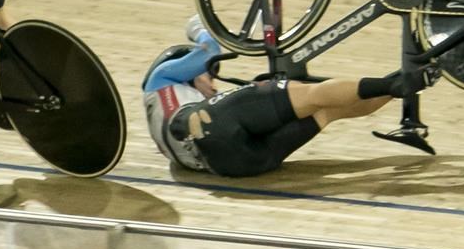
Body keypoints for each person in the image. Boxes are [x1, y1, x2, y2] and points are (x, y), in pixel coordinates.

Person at [142, 16, 441, 177]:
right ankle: (397, 85)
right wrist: (198, 28)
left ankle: (404, 82)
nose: (213, 78)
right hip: (212, 122)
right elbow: (210, 50)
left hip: (236, 167)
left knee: (328, 112)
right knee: (312, 95)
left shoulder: (160, 120)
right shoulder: (160, 78)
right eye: (208, 73)